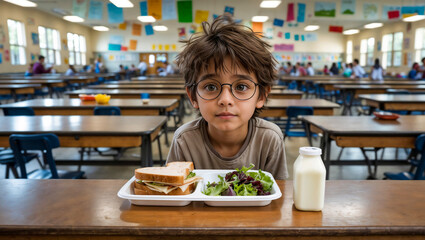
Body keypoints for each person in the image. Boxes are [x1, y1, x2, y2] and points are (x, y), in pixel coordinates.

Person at [166, 15, 288, 180]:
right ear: (192, 96)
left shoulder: (269, 138)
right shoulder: (185, 140)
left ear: (262, 96)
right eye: (211, 87)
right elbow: (174, 193)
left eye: (241, 87)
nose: (225, 99)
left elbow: (275, 199)